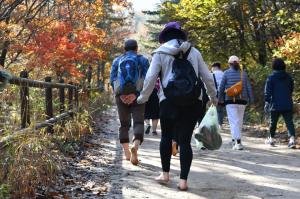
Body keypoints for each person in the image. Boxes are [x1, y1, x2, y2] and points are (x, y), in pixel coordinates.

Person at [137, 22, 217, 190]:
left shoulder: (160, 53)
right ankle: (183, 181)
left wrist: (143, 98)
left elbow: (151, 77)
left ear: (164, 37)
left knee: (166, 137)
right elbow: (207, 77)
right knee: (185, 141)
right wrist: (213, 97)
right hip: (192, 101)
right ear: (181, 35)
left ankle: (165, 174)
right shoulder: (194, 52)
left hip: (168, 101)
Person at [110, 39, 149, 165]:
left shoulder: (117, 60)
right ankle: (135, 147)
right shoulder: (143, 60)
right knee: (138, 122)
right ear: (137, 48)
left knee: (124, 124)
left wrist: (120, 95)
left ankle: (127, 154)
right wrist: (136, 94)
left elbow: (112, 79)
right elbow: (147, 78)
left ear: (124, 49)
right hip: (138, 96)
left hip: (121, 96)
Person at [218, 56, 254, 150]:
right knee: (239, 121)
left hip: (230, 100)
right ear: (238, 63)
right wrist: (252, 100)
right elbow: (249, 87)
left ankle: (237, 142)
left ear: (229, 64)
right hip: (242, 101)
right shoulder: (244, 74)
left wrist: (219, 99)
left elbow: (221, 87)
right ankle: (235, 140)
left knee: (233, 121)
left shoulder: (226, 73)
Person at [264, 58, 296, 149]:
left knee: (273, 122)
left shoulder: (271, 77)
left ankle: (271, 138)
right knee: (289, 122)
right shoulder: (288, 77)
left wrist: (267, 101)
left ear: (274, 66)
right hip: (287, 103)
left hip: (275, 104)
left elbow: (268, 91)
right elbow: (291, 89)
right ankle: (292, 139)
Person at [211, 62, 225, 128]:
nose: (212, 69)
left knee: (213, 109)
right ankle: (220, 124)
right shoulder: (224, 74)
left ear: (215, 67)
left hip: (213, 93)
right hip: (222, 93)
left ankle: (214, 124)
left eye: (212, 67)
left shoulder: (212, 74)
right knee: (220, 109)